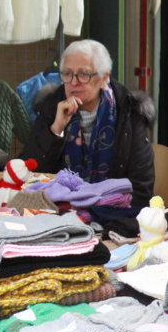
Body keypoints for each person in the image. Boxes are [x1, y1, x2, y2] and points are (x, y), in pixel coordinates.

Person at [22, 39, 155, 208]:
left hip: (113, 213)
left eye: (84, 74)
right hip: (58, 212)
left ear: (104, 78)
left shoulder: (129, 112)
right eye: (67, 74)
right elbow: (27, 174)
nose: (73, 82)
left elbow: (141, 186)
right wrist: (55, 130)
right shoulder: (51, 108)